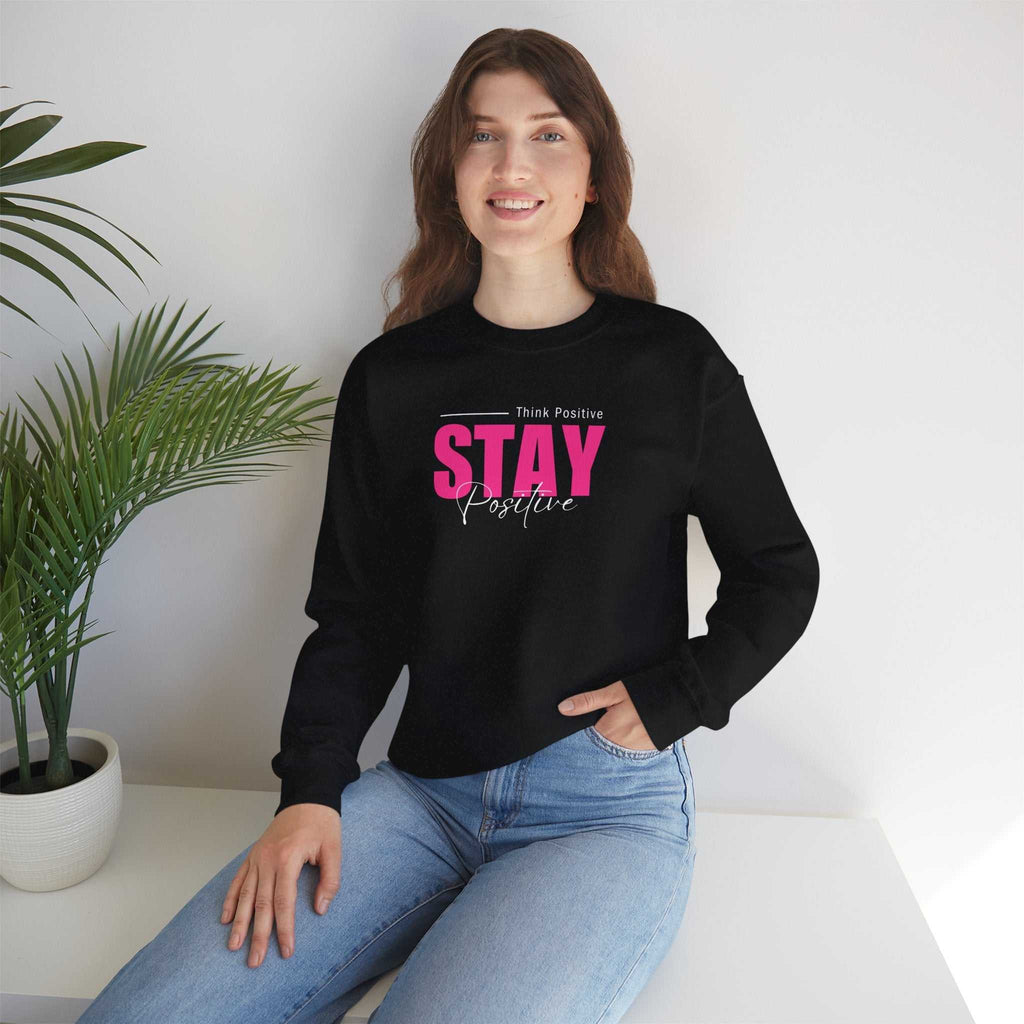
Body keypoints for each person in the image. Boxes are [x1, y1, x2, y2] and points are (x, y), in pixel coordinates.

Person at [78, 27, 819, 1024]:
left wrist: (682, 689)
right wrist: (309, 789)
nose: (513, 164)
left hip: (600, 809)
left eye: (547, 135)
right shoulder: (396, 377)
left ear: (593, 172)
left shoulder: (669, 364)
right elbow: (355, 613)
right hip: (420, 793)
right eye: (483, 137)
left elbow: (779, 568)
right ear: (451, 172)